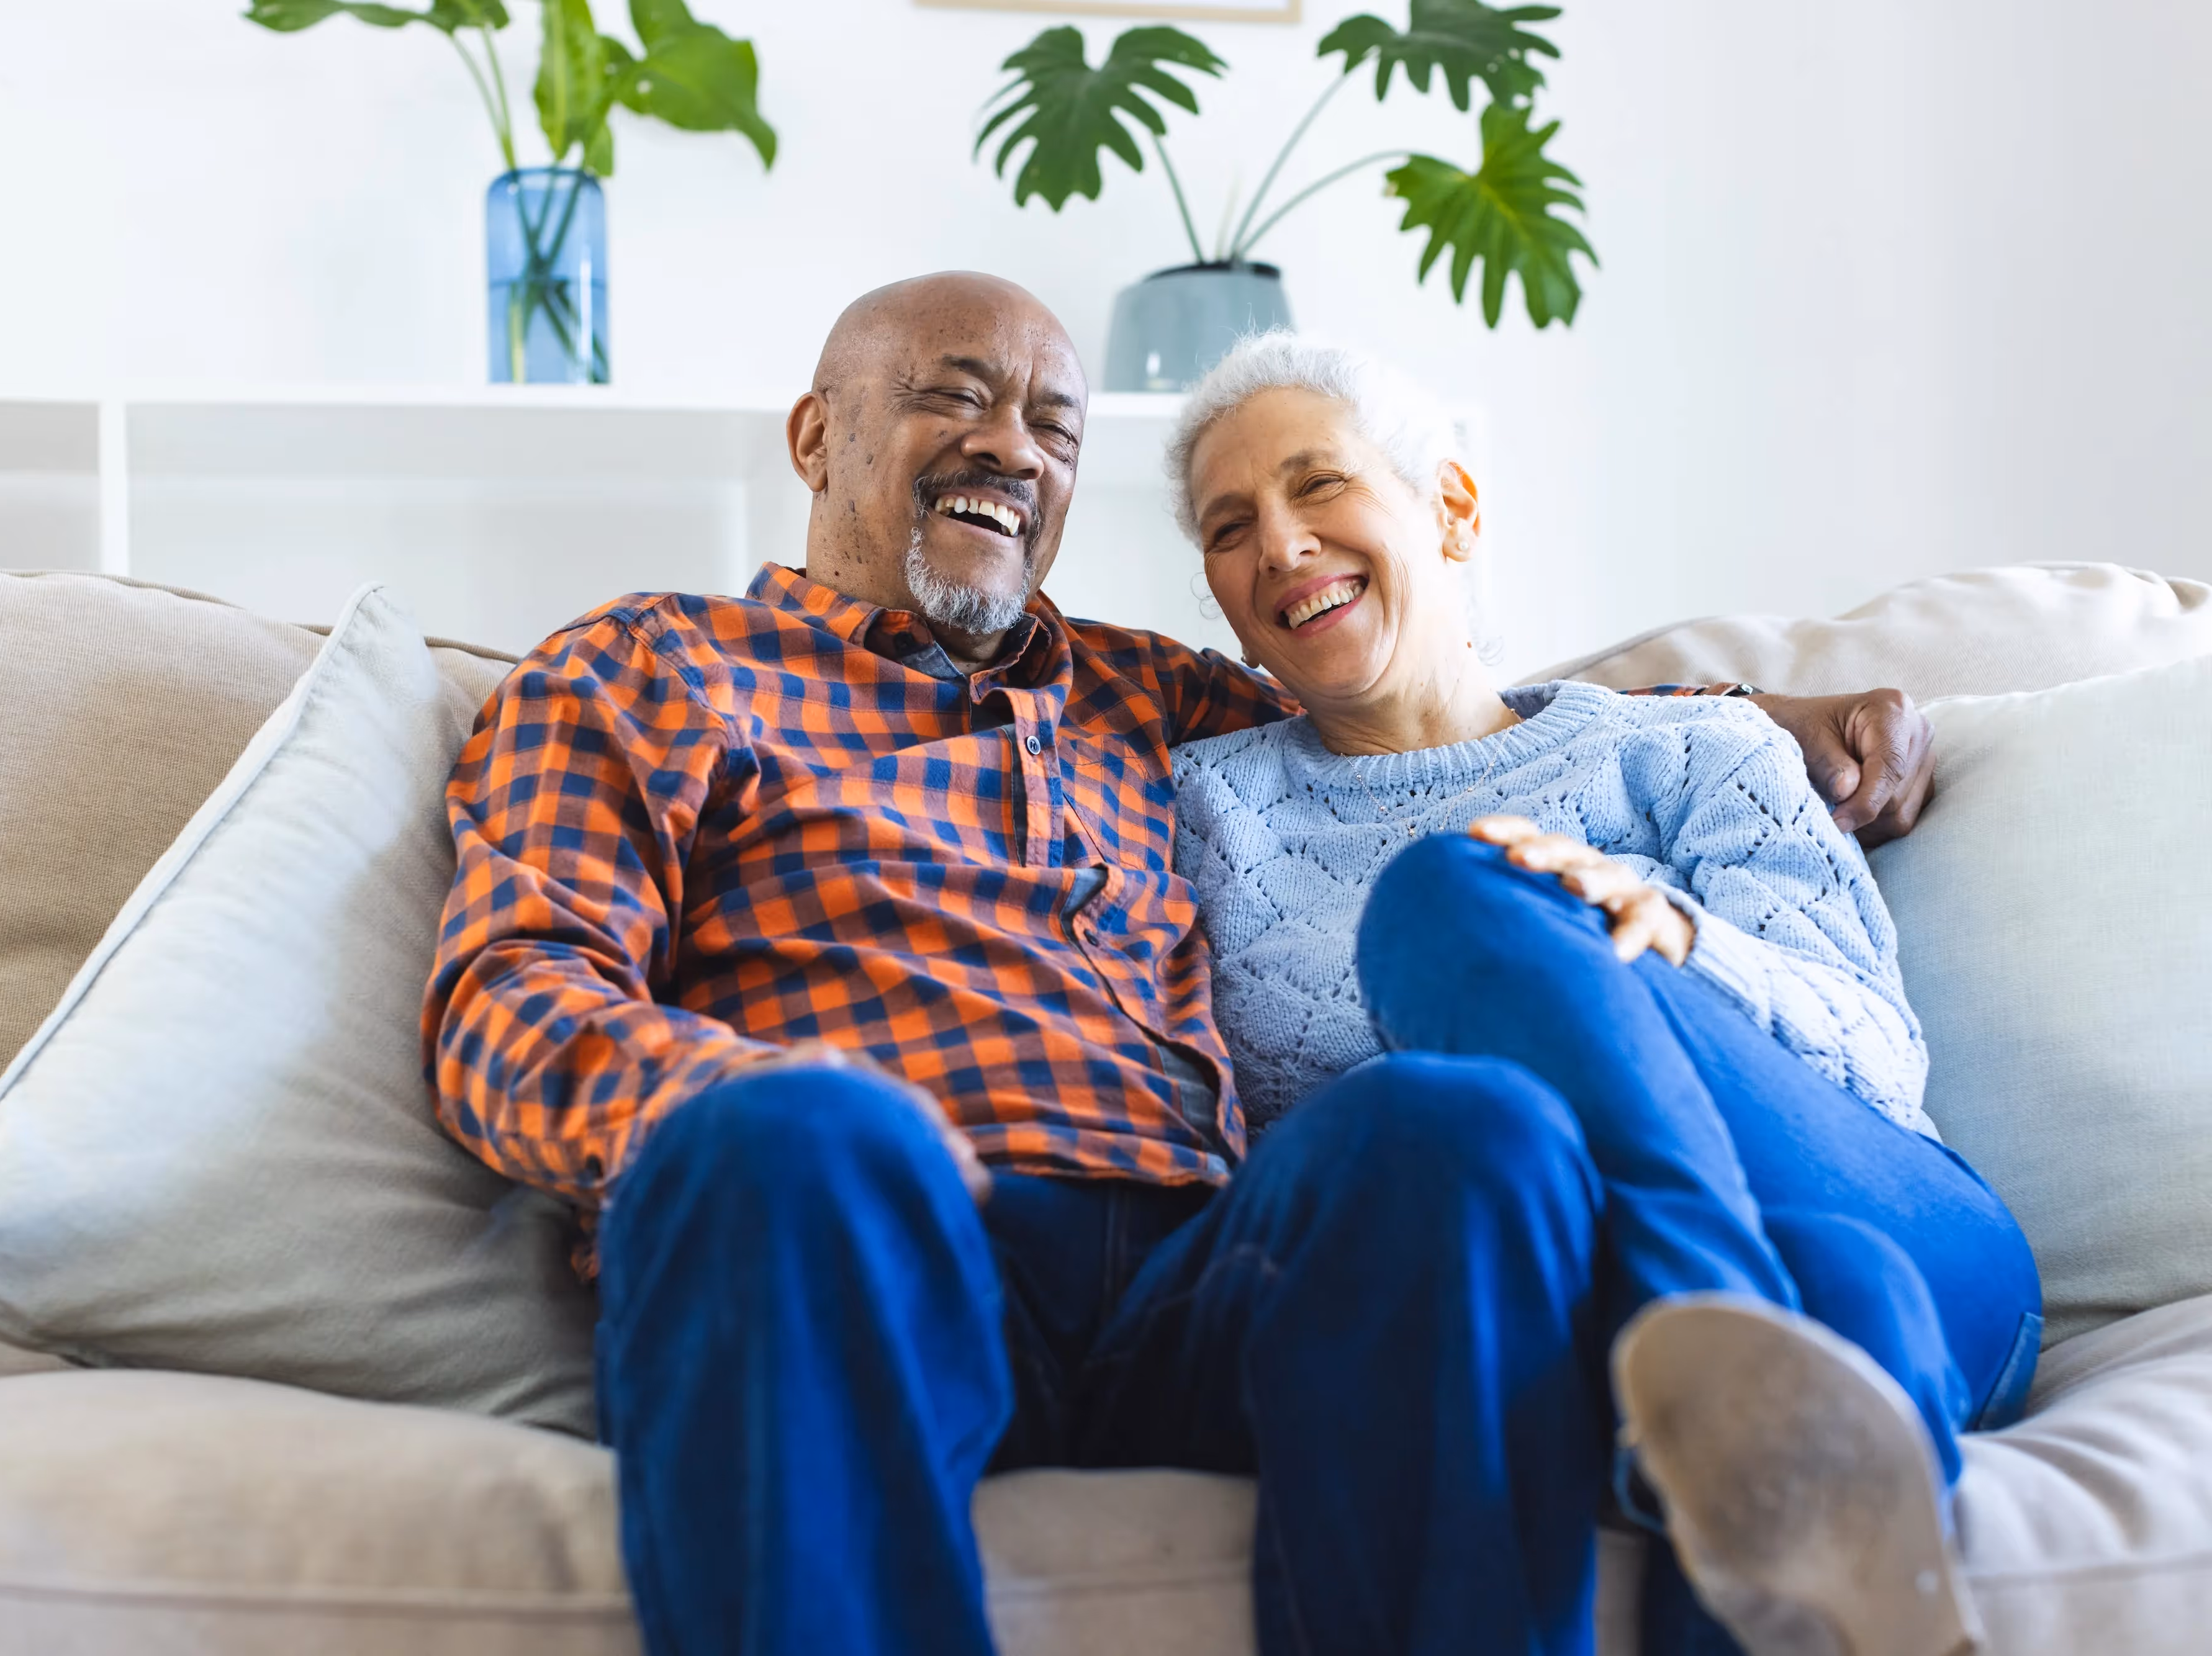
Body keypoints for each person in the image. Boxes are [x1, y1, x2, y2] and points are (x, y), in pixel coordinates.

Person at [421, 271, 1947, 1656]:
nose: (1010, 447)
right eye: (956, 394)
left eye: (1053, 426)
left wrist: (1751, 713)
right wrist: (788, 1103)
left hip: (1197, 1276)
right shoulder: (647, 664)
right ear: (818, 434)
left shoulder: (1149, 697)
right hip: (872, 1238)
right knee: (788, 1142)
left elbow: (1419, 703)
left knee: (1454, 1129)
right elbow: (512, 996)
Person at [1168, 331, 2041, 1656]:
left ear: (1449, 506)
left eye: (1319, 485)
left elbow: (1871, 1061)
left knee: (1455, 895)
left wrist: (1666, 941)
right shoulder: (1206, 812)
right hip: (1594, 1300)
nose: (1279, 543)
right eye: (1231, 527)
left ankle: (1714, 1320)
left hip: (1885, 1202)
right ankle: (1746, 1379)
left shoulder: (1692, 744)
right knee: (1842, 1294)